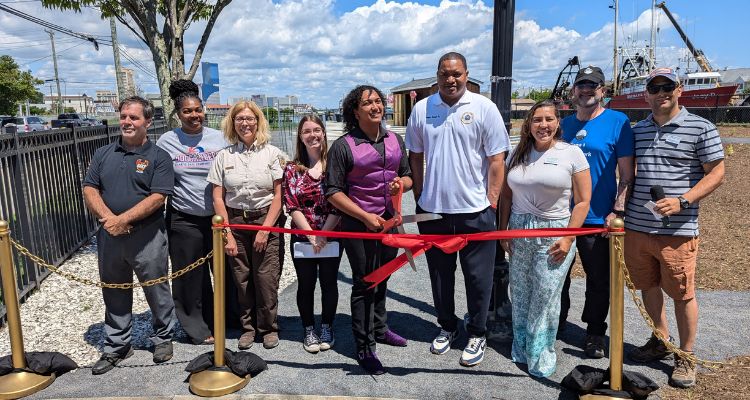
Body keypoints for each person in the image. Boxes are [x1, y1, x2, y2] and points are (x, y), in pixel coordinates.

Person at [406, 52, 510, 367]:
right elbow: (415, 154)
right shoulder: (423, 109)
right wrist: (420, 192)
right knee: (440, 276)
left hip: (476, 211)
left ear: (466, 74)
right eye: (444, 74)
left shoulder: (484, 108)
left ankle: (477, 332)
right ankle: (447, 326)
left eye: (457, 74)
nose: (450, 80)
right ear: (436, 75)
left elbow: (496, 159)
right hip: (433, 213)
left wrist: (492, 201)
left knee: (478, 278)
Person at [624, 67, 725, 389]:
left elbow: (716, 173)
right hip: (638, 227)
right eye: (655, 88)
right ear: (646, 95)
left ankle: (686, 354)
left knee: (682, 293)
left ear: (679, 89)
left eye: (667, 86)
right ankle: (660, 339)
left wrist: (684, 200)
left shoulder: (701, 128)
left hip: (678, 230)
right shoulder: (638, 131)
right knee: (648, 286)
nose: (661, 93)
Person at [82, 96, 176, 375]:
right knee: (114, 290)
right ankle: (117, 344)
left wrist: (124, 219)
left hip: (147, 236)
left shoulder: (159, 157)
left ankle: (162, 338)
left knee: (156, 287)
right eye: (124, 116)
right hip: (110, 236)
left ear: (147, 121)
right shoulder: (103, 154)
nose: (127, 122)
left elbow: (159, 196)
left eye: (134, 118)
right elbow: (90, 188)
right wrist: (110, 220)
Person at [498, 100, 591, 377]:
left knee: (545, 296)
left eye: (549, 119)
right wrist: (503, 230)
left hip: (553, 232)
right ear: (529, 124)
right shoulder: (517, 153)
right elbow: (506, 195)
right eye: (537, 120)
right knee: (522, 292)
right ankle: (522, 346)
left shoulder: (571, 153)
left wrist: (568, 238)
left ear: (557, 123)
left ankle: (541, 352)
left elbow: (583, 201)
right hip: (519, 230)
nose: (543, 125)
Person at [326, 85, 413, 375]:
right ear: (355, 110)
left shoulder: (394, 140)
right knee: (365, 282)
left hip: (390, 222)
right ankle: (363, 346)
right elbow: (333, 192)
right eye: (368, 103)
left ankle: (379, 328)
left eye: (378, 101)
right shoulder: (343, 146)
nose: (376, 106)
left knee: (383, 276)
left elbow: (408, 176)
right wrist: (364, 216)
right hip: (359, 223)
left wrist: (401, 185)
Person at [559, 65, 635, 358]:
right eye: (582, 85)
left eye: (593, 85)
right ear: (574, 91)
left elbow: (627, 174)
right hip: (562, 217)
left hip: (597, 217)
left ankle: (593, 333)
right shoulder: (563, 125)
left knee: (598, 279)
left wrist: (617, 210)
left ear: (603, 91)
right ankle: (557, 321)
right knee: (558, 274)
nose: (587, 90)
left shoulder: (618, 122)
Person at [207, 100, 287, 350]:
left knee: (266, 278)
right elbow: (218, 197)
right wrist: (228, 235)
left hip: (266, 220)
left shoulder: (272, 154)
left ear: (258, 121)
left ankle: (268, 327)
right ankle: (248, 328)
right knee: (241, 279)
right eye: (239, 119)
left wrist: (266, 230)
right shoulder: (223, 156)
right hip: (236, 222)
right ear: (232, 123)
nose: (245, 123)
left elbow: (279, 196)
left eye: (250, 118)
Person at [156, 79, 228, 345]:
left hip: (218, 217)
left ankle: (222, 319)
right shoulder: (167, 142)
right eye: (187, 111)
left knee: (222, 271)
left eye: (197, 109)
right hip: (184, 218)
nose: (194, 115)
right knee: (189, 276)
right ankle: (195, 326)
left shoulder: (218, 138)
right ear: (178, 114)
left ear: (203, 110)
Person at [283, 114, 342, 353]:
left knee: (329, 283)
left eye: (316, 130)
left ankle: (327, 326)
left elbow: (339, 202)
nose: (312, 135)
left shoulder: (335, 167)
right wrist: (311, 235)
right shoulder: (291, 169)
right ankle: (308, 328)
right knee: (306, 285)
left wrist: (324, 234)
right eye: (307, 131)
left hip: (332, 235)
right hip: (302, 238)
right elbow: (292, 204)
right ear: (300, 136)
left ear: (324, 133)